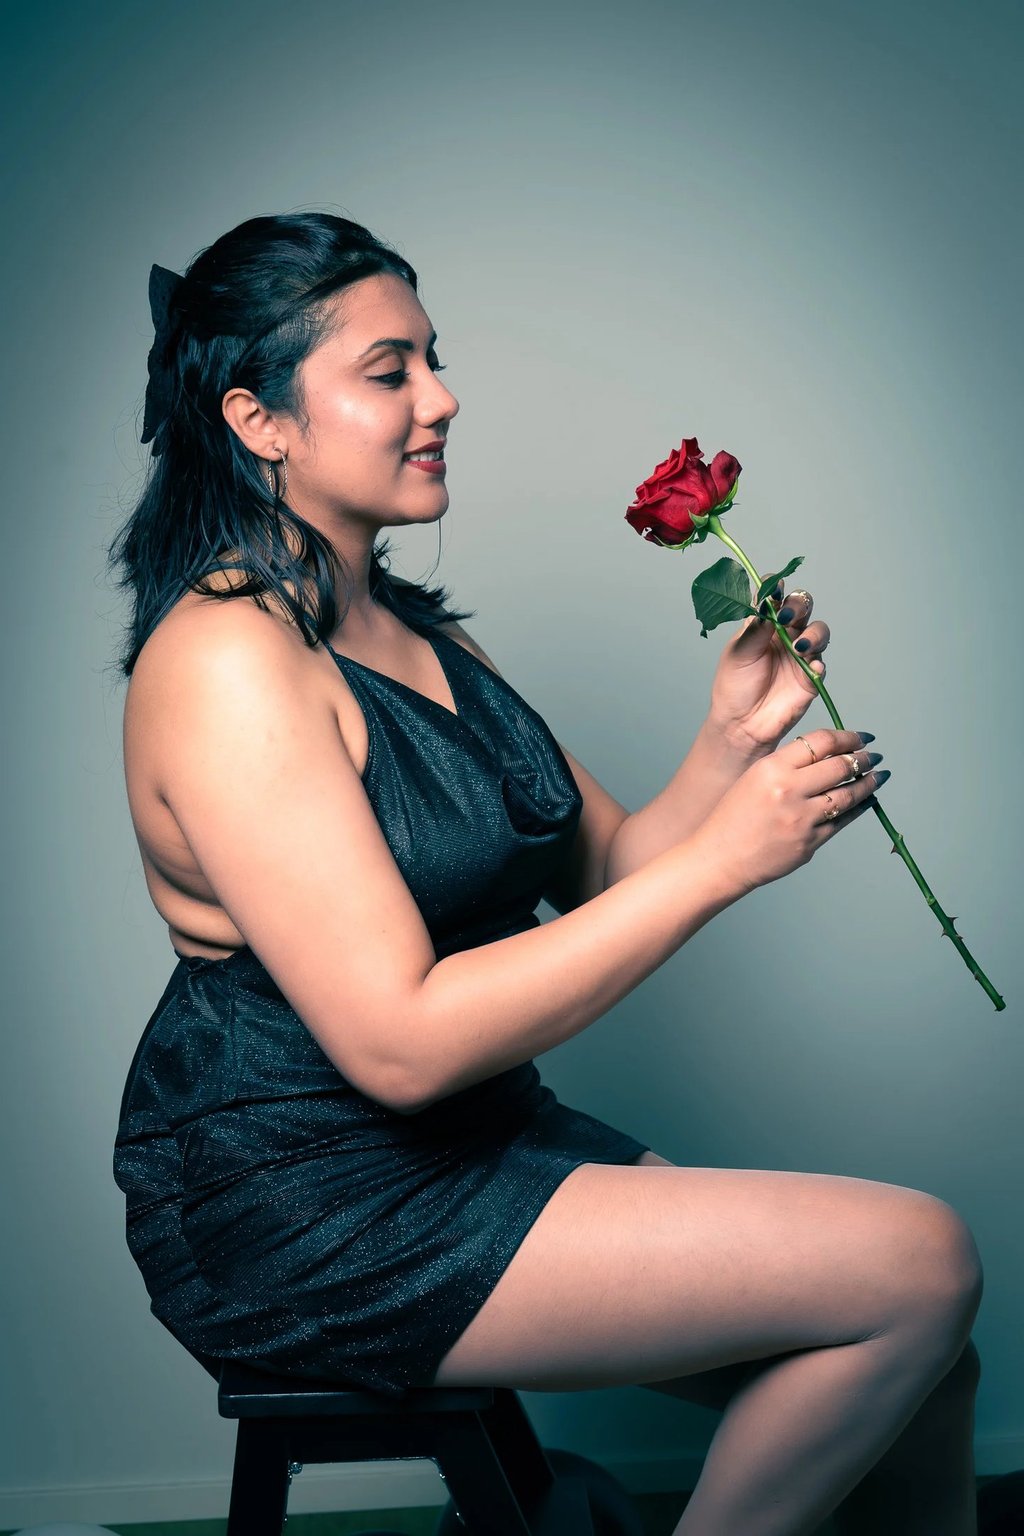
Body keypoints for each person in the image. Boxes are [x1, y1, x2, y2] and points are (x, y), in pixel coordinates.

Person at [109, 211, 983, 1536]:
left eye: (433, 360)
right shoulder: (228, 661)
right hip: (308, 1198)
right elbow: (396, 1044)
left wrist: (727, 739)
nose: (443, 399)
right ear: (259, 418)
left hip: (474, 1142)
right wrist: (726, 866)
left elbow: (609, 864)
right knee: (921, 1262)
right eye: (389, 370)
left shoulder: (404, 627)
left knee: (930, 1361)